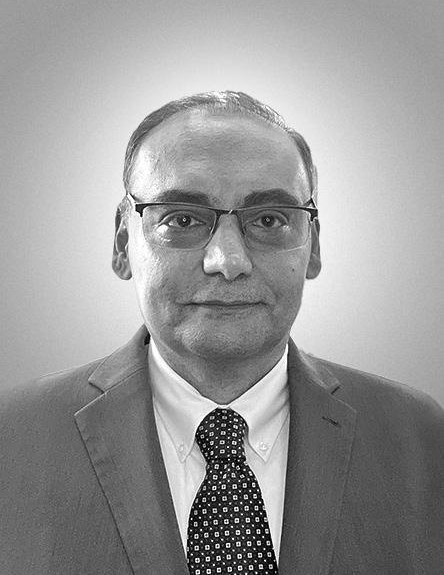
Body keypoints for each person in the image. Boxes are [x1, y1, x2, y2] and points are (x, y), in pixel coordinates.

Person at [1, 91, 443, 575]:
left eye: (269, 220)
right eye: (183, 219)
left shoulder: (420, 438)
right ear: (124, 244)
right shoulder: (13, 439)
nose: (228, 261)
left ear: (313, 247)